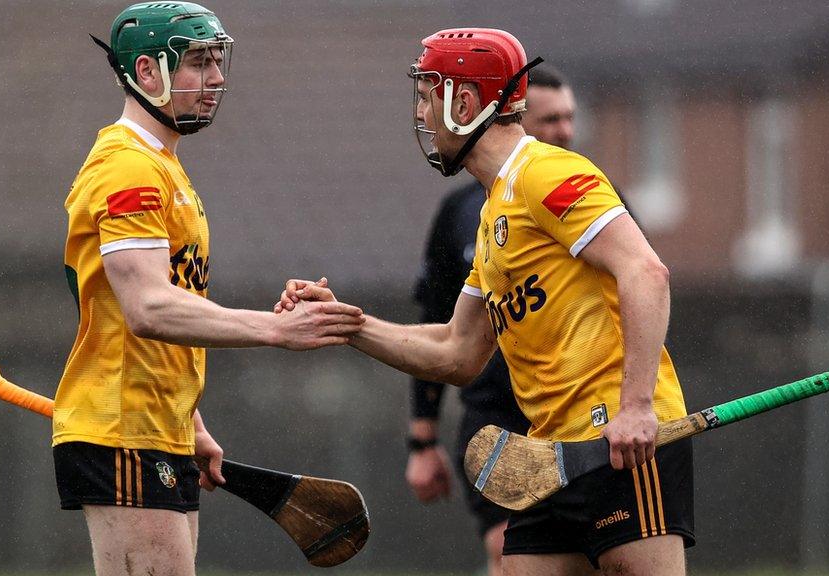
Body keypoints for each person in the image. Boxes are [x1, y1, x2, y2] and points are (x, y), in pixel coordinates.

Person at [278, 28, 692, 576]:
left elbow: (646, 272)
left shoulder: (548, 172)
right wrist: (348, 325)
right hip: (546, 457)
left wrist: (637, 406)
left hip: (621, 444)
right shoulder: (495, 211)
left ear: (465, 103)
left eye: (429, 96)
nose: (422, 115)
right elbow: (458, 351)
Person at [56, 4, 364, 575]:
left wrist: (190, 422)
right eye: (198, 62)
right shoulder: (126, 170)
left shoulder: (165, 166)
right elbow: (148, 308)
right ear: (147, 71)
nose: (217, 77)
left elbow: (172, 310)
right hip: (123, 427)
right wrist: (276, 329)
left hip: (160, 426)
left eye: (216, 61)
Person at [404, 64, 577, 576]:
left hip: (575, 413)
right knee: (509, 551)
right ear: (512, 119)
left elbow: (643, 286)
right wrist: (422, 440)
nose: (563, 132)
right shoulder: (464, 213)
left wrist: (639, 403)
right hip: (496, 417)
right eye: (548, 120)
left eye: (569, 119)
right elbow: (438, 327)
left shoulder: (591, 200)